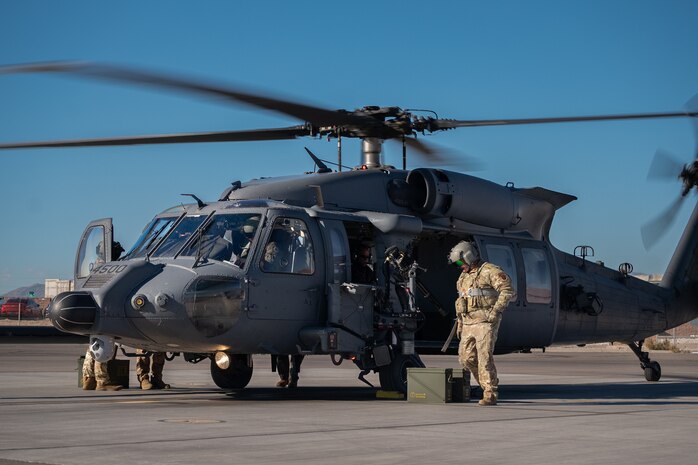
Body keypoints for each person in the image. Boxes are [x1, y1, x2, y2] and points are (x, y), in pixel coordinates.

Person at [449, 240, 514, 406]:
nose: (459, 266)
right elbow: (462, 300)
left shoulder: (490, 271)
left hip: (485, 322)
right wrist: (461, 324)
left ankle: (490, 392)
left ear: (469, 257)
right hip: (468, 322)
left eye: (460, 262)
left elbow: (507, 290)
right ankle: (486, 384)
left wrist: (495, 311)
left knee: (484, 358)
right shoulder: (464, 276)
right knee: (465, 359)